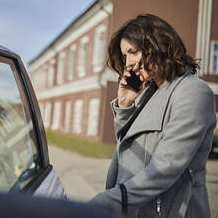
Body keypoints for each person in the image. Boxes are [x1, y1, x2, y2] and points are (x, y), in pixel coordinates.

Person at [90, 14, 216, 218]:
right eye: (124, 56)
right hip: (137, 206)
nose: (128, 63)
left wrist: (110, 200)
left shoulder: (193, 92)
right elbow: (129, 149)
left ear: (157, 44)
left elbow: (165, 168)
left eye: (133, 52)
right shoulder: (150, 91)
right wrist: (125, 106)